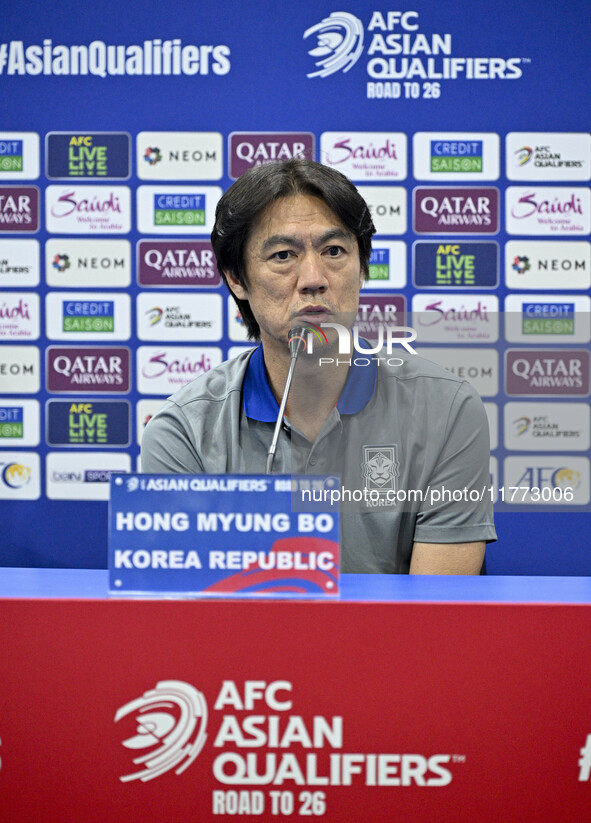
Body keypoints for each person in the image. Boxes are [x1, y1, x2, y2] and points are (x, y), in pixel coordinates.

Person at [141, 158, 496, 574]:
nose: (314, 277)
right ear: (236, 277)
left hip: (393, 641)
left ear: (362, 268)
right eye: (282, 255)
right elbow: (188, 616)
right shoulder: (184, 431)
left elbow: (434, 619)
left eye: (334, 251)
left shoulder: (446, 409)